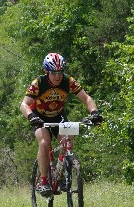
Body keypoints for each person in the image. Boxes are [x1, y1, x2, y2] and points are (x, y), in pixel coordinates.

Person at [20, 52, 103, 197]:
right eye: (53, 73)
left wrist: (94, 112)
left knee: (69, 138)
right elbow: (24, 104)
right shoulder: (38, 83)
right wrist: (31, 116)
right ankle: (44, 181)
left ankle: (63, 174)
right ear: (46, 71)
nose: (57, 76)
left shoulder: (69, 81)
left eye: (60, 72)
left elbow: (86, 98)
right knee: (45, 143)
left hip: (59, 116)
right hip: (40, 117)